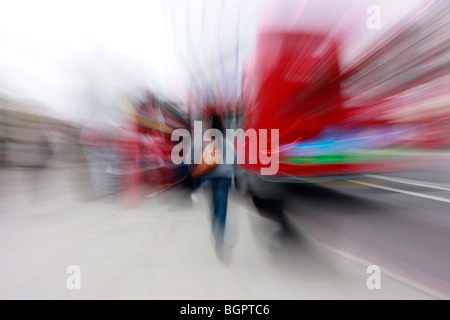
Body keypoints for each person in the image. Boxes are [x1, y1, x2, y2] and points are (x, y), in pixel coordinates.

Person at [192, 113, 236, 259]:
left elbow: (199, 161)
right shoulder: (229, 145)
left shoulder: (208, 145)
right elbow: (235, 163)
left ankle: (217, 239)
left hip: (210, 181)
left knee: (213, 211)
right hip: (224, 181)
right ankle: (220, 242)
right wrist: (238, 182)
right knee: (222, 211)